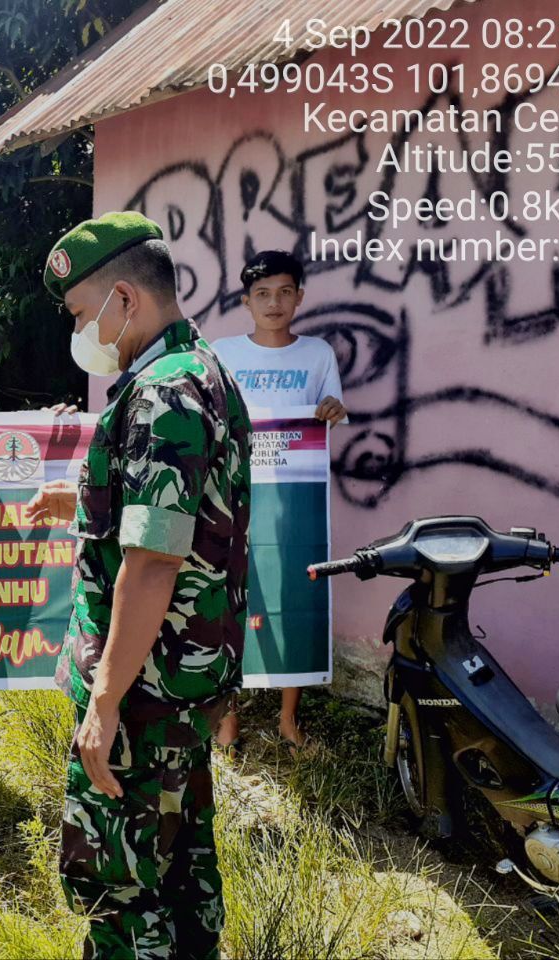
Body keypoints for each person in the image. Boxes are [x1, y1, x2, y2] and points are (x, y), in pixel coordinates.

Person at [25, 212, 252, 959]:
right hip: (183, 685)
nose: (82, 331)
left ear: (125, 299)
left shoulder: (160, 393)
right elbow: (184, 511)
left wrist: (105, 703)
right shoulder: (201, 370)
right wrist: (86, 502)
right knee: (182, 862)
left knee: (122, 889)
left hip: (145, 693)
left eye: (82, 314)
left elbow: (154, 562)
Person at [210, 249, 347, 755]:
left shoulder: (318, 355)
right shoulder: (222, 352)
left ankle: (289, 720)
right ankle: (227, 722)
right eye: (263, 294)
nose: (275, 302)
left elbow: (330, 411)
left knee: (295, 595)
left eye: (285, 292)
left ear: (300, 298)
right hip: (232, 496)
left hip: (295, 501)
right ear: (246, 301)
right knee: (229, 601)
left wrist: (332, 409)